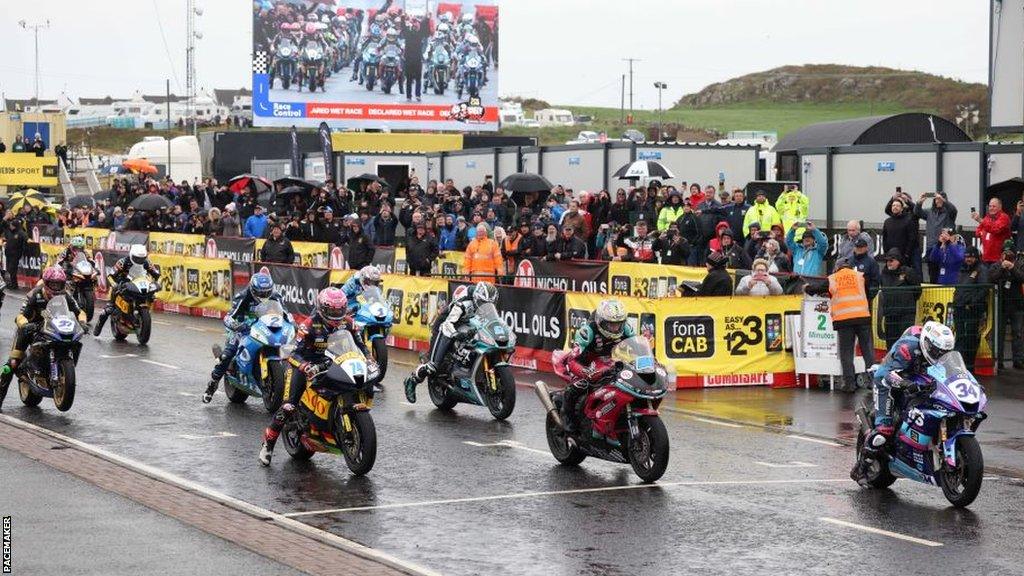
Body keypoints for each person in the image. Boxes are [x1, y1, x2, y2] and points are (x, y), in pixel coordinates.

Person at [850, 322, 955, 486]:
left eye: (943, 353)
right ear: (927, 344)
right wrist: (907, 384)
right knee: (883, 432)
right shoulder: (907, 348)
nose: (939, 355)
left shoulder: (939, 349)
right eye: (936, 351)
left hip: (919, 376)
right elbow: (888, 376)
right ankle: (861, 466)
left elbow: (954, 370)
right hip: (888, 380)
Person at [258, 287, 351, 466]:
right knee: (288, 406)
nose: (337, 314)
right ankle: (268, 444)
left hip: (332, 362)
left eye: (340, 310)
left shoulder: (348, 323)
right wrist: (305, 366)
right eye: (332, 311)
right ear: (323, 309)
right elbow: (292, 353)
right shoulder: (308, 325)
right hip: (303, 366)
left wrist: (369, 359)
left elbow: (360, 345)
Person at [0, 267, 88, 410]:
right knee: (13, 362)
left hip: (54, 328)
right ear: (46, 283)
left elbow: (80, 312)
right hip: (31, 329)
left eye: (59, 284)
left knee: (74, 341)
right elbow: (20, 316)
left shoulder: (66, 295)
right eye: (53, 284)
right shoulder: (35, 294)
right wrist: (25, 325)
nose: (56, 287)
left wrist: (83, 323)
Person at [404, 281, 499, 402]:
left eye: (489, 304)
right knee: (434, 366)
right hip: (444, 326)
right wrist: (456, 334)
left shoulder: (486, 302)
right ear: (476, 298)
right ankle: (412, 380)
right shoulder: (463, 304)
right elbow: (448, 324)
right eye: (482, 303)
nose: (485, 305)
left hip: (464, 323)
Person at [202, 273, 287, 403]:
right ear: (252, 290)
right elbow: (228, 317)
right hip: (242, 329)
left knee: (288, 348)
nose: (264, 296)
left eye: (266, 293)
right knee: (228, 354)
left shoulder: (276, 296)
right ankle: (213, 383)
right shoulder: (242, 296)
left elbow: (286, 313)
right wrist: (236, 325)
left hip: (263, 328)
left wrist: (293, 323)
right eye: (260, 293)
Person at [555, 298, 634, 431]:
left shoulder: (626, 328)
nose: (615, 328)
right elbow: (572, 359)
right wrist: (586, 372)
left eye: (618, 324)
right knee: (579, 386)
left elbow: (636, 345)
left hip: (608, 363)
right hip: (584, 364)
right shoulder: (588, 331)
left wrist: (649, 360)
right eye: (611, 324)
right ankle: (567, 417)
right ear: (601, 322)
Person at [806, 258, 875, 392]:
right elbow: (866, 292)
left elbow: (815, 289)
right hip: (862, 317)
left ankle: (849, 384)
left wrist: (806, 287)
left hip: (844, 320)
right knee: (867, 351)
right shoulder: (860, 276)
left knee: (846, 353)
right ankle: (873, 381)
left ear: (837, 267)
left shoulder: (833, 278)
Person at [93, 245, 161, 336]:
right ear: (131, 255)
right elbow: (110, 275)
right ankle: (98, 327)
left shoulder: (147, 262)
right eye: (137, 258)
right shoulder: (122, 262)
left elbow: (157, 275)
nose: (140, 260)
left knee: (152, 296)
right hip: (123, 285)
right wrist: (114, 285)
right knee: (109, 309)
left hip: (140, 284)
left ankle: (139, 319)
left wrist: (157, 283)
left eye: (142, 258)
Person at [987, 240, 1024, 369]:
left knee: (1018, 333)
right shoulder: (996, 265)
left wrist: (1012, 268)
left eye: (1010, 253)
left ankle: (1018, 360)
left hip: (1017, 304)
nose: (1007, 256)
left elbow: (1022, 277)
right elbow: (991, 278)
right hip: (1001, 305)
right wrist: (1002, 268)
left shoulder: (1019, 264)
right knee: (999, 334)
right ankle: (999, 360)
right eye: (1005, 253)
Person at [952, 246, 988, 372]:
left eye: (970, 257)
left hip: (973, 309)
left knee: (971, 338)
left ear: (976, 257)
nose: (968, 259)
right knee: (960, 337)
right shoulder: (962, 269)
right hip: (959, 307)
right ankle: (960, 366)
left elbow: (984, 289)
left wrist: (971, 303)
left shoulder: (981, 269)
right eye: (966, 256)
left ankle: (969, 367)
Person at [878, 249, 921, 350]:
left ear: (898, 261)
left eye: (891, 261)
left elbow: (917, 290)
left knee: (905, 341)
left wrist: (907, 302)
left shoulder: (908, 271)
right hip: (890, 313)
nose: (889, 263)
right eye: (887, 261)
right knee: (891, 342)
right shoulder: (884, 273)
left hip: (905, 313)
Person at [914, 192, 958, 281]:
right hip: (932, 247)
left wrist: (943, 200)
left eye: (940, 199)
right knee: (932, 272)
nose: (938, 201)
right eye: (936, 199)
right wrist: (919, 202)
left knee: (945, 272)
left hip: (946, 247)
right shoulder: (929, 211)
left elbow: (954, 210)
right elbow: (917, 212)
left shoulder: (949, 212)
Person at [973, 198, 1011, 264]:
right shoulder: (987, 218)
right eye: (990, 206)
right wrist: (983, 233)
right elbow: (978, 232)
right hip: (986, 258)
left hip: (999, 259)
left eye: (994, 206)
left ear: (1000, 207)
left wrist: (980, 220)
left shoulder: (1004, 217)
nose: (991, 208)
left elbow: (996, 229)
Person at [881, 198, 917, 266]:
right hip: (890, 256)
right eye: (893, 205)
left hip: (903, 256)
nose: (895, 207)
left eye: (897, 206)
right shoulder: (887, 221)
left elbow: (912, 238)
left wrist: (907, 254)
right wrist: (886, 253)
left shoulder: (908, 221)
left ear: (902, 208)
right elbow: (884, 238)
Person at [850, 237, 880, 302]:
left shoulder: (872, 262)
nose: (859, 249)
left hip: (864, 298)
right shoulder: (849, 261)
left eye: (861, 247)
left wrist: (869, 297)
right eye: (857, 247)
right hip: (850, 298)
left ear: (866, 248)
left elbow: (875, 282)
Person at [3, 219, 27, 287]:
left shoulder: (21, 232)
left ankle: (14, 284)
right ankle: (10, 283)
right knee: (8, 269)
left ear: (15, 226)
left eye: (11, 225)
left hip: (15, 254)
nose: (10, 226)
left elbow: (26, 239)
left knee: (12, 269)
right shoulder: (9, 232)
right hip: (8, 253)